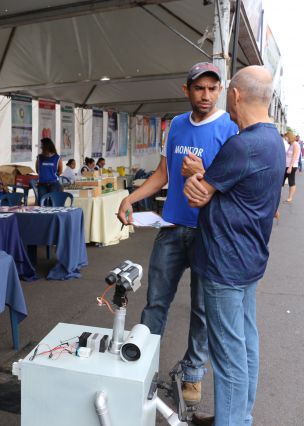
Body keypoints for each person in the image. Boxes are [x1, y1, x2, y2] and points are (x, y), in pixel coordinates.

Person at [117, 62, 238, 406]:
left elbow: (232, 184)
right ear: (186, 90)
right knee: (155, 301)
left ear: (220, 90)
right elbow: (163, 174)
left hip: (207, 232)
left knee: (202, 309)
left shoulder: (230, 129)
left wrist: (204, 172)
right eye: (199, 88)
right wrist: (131, 197)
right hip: (170, 228)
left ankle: (193, 374)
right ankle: (142, 365)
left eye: (212, 89)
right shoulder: (176, 125)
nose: (206, 95)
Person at [184, 66, 283, 426]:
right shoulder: (274, 141)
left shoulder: (242, 144)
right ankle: (239, 417)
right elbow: (222, 189)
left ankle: (231, 421)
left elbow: (198, 195)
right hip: (249, 259)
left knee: (228, 356)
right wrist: (205, 181)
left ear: (236, 95)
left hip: (225, 262)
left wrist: (195, 174)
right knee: (245, 344)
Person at [35, 138, 63, 203]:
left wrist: (51, 176)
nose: (41, 147)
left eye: (42, 145)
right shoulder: (39, 157)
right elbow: (37, 170)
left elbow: (60, 171)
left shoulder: (57, 158)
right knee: (42, 202)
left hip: (54, 183)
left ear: (47, 146)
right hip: (42, 184)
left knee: (53, 202)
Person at [284, 131, 300, 202]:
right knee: (282, 180)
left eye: (286, 138)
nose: (286, 139)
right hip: (287, 165)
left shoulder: (295, 144)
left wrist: (290, 167)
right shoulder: (291, 144)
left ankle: (290, 198)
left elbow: (294, 156)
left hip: (292, 166)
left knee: (291, 182)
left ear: (289, 137)